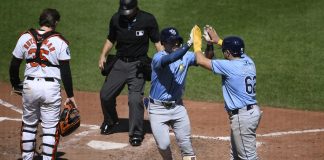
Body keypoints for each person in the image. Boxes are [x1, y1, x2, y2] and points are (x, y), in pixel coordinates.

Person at [9, 8, 77, 160]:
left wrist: (16, 85)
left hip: (29, 86)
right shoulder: (60, 41)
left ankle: (27, 157)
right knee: (50, 128)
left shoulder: (24, 37)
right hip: (50, 89)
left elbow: (14, 65)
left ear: (41, 21)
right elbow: (65, 71)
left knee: (29, 125)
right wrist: (70, 95)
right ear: (56, 23)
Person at [98, 0, 163, 146]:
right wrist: (103, 55)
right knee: (105, 95)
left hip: (138, 65)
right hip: (120, 63)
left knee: (134, 100)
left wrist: (164, 62)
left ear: (135, 8)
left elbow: (157, 43)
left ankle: (136, 133)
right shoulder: (116, 18)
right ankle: (111, 120)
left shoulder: (148, 19)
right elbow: (110, 39)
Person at [192, 25, 262, 160]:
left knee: (248, 158)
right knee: (235, 156)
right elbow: (232, 50)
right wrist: (217, 40)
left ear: (228, 53)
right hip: (250, 112)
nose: (223, 52)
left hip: (242, 118)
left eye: (224, 50)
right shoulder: (248, 61)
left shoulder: (228, 67)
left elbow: (201, 60)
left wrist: (196, 44)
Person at [146, 26, 200, 160]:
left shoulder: (185, 55)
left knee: (186, 145)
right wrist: (188, 44)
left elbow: (204, 58)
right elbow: (171, 59)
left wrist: (209, 45)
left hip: (177, 107)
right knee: (163, 145)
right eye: (172, 41)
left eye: (177, 41)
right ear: (163, 43)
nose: (176, 44)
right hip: (158, 108)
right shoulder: (158, 58)